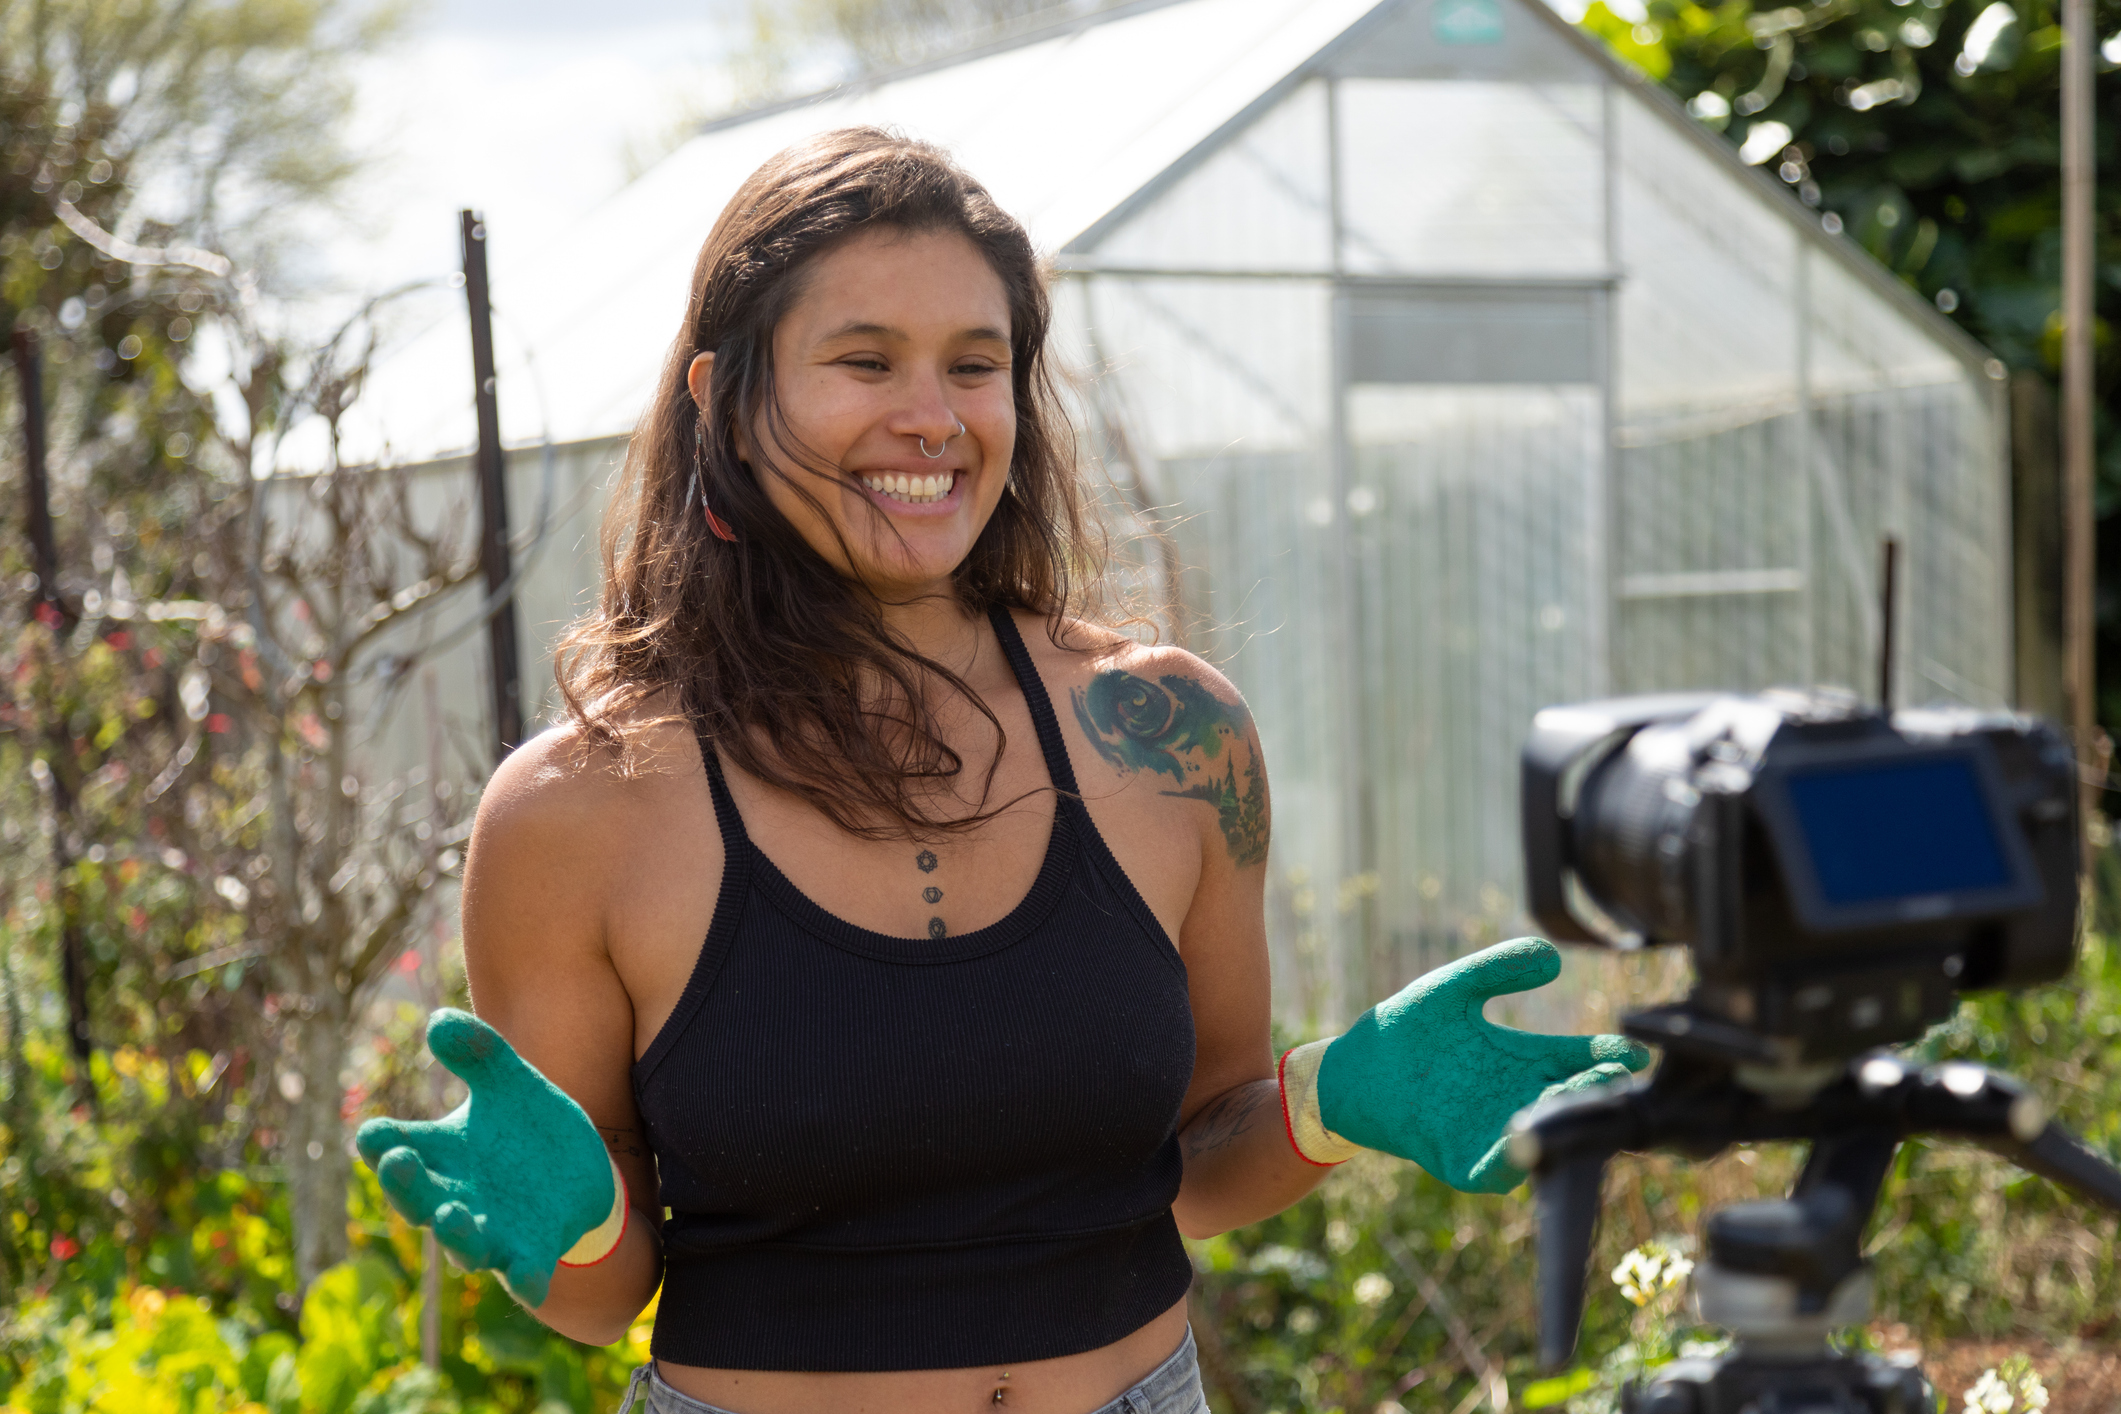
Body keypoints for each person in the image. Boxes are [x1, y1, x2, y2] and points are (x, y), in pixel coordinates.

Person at [355, 128, 1646, 1414]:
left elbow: (1198, 1164)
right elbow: (598, 1286)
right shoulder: (580, 808)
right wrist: (577, 1229)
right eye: (864, 361)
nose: (933, 416)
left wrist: (1332, 1099)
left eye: (976, 366)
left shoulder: (1172, 737)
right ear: (723, 400)